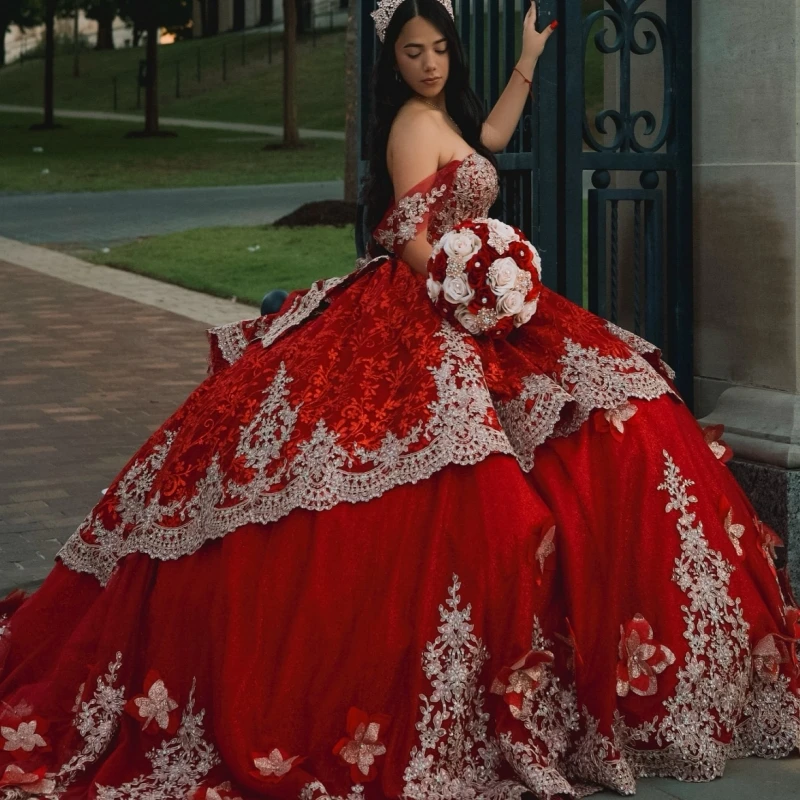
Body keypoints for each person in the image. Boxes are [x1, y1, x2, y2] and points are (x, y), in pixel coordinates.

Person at [0, 1, 797, 798]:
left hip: (484, 299)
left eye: (439, 49)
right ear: (394, 61)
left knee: (622, 406)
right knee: (439, 472)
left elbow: (489, 144)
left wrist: (526, 61)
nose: (429, 63)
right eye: (413, 52)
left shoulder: (443, 118)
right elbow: (410, 237)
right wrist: (470, 288)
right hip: (433, 302)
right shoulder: (411, 128)